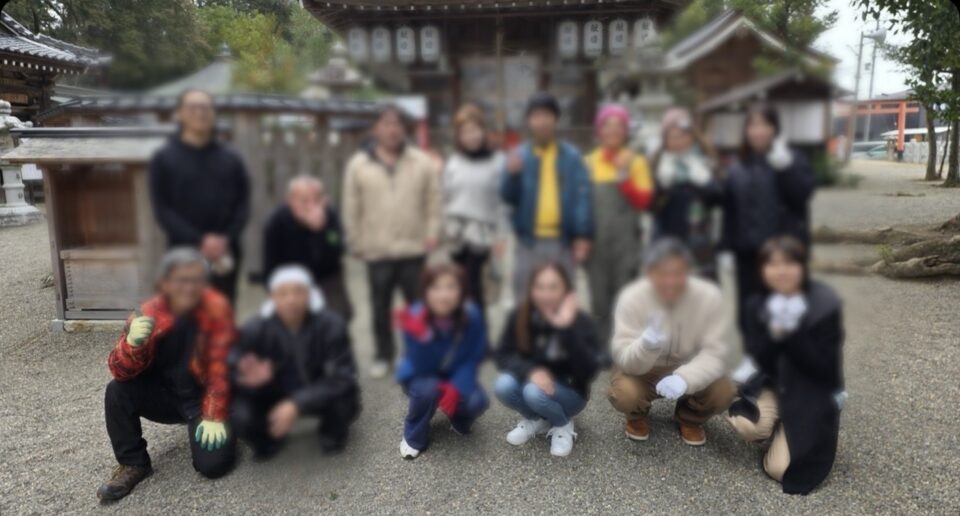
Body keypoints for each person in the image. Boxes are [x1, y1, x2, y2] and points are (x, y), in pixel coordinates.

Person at [97, 248, 236, 501]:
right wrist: (131, 345)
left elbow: (222, 370)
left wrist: (214, 415)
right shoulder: (147, 313)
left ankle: (232, 422)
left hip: (201, 400)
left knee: (213, 466)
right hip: (163, 395)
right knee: (117, 391)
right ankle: (133, 463)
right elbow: (119, 370)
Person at [726, 236, 845, 495]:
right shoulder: (758, 303)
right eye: (772, 264)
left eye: (789, 263)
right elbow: (760, 356)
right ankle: (776, 423)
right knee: (745, 423)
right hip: (774, 381)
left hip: (811, 390)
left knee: (780, 470)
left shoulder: (823, 302)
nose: (780, 271)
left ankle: (789, 432)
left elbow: (823, 361)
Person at [342, 105, 442, 379]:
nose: (391, 129)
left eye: (396, 124)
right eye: (385, 124)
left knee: (417, 306)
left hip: (413, 246)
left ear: (403, 129)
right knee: (379, 305)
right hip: (377, 248)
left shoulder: (420, 161)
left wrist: (432, 232)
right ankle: (383, 354)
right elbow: (351, 206)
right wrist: (355, 240)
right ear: (376, 128)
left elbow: (433, 199)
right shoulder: (359, 165)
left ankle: (418, 354)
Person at [607, 238, 736, 446]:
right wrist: (646, 345)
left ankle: (690, 418)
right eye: (662, 273)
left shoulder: (709, 297)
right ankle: (636, 415)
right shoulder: (631, 298)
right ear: (648, 273)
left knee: (724, 390)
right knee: (624, 394)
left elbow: (717, 352)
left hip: (689, 363)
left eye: (678, 273)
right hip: (643, 369)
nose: (670, 281)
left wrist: (686, 378)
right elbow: (623, 356)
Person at [230, 265, 360, 459]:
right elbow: (232, 363)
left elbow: (343, 376)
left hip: (316, 387)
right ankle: (266, 441)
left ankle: (331, 433)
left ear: (310, 294)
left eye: (298, 292)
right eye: (282, 293)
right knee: (240, 412)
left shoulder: (331, 325)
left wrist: (296, 403)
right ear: (272, 298)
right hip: (272, 391)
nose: (291, 300)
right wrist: (248, 380)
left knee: (346, 400)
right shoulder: (255, 329)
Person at [149, 89, 250, 304]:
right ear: (179, 113)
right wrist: (199, 240)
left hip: (225, 252)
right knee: (184, 312)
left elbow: (243, 205)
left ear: (213, 113)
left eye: (206, 107)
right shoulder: (164, 158)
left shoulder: (231, 158)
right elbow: (162, 209)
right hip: (182, 250)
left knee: (222, 310)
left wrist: (225, 238)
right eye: (193, 107)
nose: (200, 113)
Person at [720, 105, 815, 329]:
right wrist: (726, 247)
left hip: (782, 255)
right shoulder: (737, 166)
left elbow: (802, 196)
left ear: (774, 128)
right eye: (753, 125)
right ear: (746, 131)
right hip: (747, 254)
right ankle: (751, 349)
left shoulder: (792, 158)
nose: (759, 131)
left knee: (784, 315)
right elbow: (730, 211)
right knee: (749, 312)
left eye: (765, 124)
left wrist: (786, 168)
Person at [494, 262, 599, 457]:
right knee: (503, 385)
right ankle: (537, 420)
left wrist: (566, 328)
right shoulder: (520, 315)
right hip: (533, 383)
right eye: (539, 287)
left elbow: (589, 370)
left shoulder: (579, 320)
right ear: (531, 289)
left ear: (565, 289)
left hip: (570, 392)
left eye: (553, 287)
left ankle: (562, 424)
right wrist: (531, 371)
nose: (546, 294)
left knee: (533, 392)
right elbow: (502, 354)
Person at [501, 92, 593, 298]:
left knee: (563, 296)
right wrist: (512, 176)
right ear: (529, 121)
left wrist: (583, 234)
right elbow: (507, 197)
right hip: (528, 241)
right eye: (536, 116)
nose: (541, 121)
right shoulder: (519, 155)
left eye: (547, 115)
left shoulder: (571, 156)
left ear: (556, 120)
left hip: (563, 242)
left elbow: (582, 197)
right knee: (525, 296)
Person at [395, 263, 488, 459]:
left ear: (462, 290)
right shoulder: (415, 314)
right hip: (422, 372)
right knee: (427, 390)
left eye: (451, 287)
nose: (443, 295)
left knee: (477, 401)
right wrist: (424, 337)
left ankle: (458, 418)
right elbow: (418, 364)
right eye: (435, 287)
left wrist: (457, 385)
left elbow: (474, 355)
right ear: (425, 291)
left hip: (455, 372)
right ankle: (413, 436)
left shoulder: (472, 314)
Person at [584, 104, 655, 348]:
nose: (613, 130)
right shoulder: (588, 162)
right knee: (599, 299)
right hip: (595, 244)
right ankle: (601, 348)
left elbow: (644, 202)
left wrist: (624, 174)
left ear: (626, 131)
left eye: (619, 125)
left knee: (626, 297)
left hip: (626, 243)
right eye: (607, 125)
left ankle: (625, 347)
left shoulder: (636, 162)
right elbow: (580, 205)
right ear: (599, 130)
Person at [442, 104, 508, 322]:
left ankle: (480, 334)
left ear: (483, 130)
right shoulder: (453, 162)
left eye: (474, 130)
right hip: (456, 234)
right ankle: (460, 331)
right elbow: (445, 196)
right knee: (457, 286)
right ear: (458, 136)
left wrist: (501, 235)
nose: (470, 136)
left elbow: (502, 202)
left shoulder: (497, 161)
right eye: (464, 132)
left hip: (482, 233)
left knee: (475, 287)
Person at [264, 175, 352, 321]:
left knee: (339, 316)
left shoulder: (329, 215)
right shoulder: (277, 221)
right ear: (291, 201)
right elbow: (271, 263)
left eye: (316, 200)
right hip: (291, 277)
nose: (311, 205)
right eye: (304, 201)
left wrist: (320, 231)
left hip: (326, 277)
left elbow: (336, 251)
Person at [649, 107, 721, 278]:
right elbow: (651, 207)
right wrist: (662, 187)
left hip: (699, 238)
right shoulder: (657, 164)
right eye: (672, 137)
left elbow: (718, 199)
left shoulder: (707, 161)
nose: (678, 141)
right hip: (665, 237)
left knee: (702, 284)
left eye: (683, 135)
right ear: (664, 140)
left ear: (692, 136)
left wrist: (706, 183)